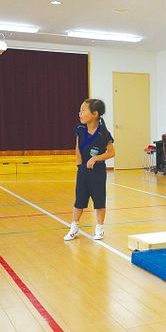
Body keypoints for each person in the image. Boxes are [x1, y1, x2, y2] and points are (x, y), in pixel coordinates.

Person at [64, 99, 115, 241]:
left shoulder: (104, 134)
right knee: (79, 199)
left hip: (98, 172)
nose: (80, 113)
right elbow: (78, 147)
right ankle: (74, 228)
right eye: (80, 110)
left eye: (83, 110)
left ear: (95, 114)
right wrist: (79, 165)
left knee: (99, 200)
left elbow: (111, 152)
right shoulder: (80, 129)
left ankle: (99, 229)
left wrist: (96, 158)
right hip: (82, 171)